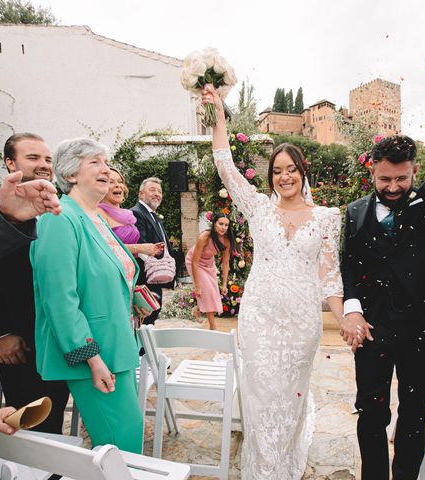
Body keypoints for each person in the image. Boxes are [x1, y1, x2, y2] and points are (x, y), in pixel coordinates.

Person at [340, 46, 425, 479]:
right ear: (373, 174)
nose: (394, 186)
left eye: (402, 178)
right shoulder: (355, 212)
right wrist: (351, 309)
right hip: (372, 331)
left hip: (420, 328)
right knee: (371, 416)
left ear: (414, 172)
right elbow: (349, 267)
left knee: (413, 419)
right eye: (386, 179)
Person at [201, 83, 344, 479]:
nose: (284, 177)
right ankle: (265, 469)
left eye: (291, 170)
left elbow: (330, 276)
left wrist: (344, 317)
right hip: (260, 315)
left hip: (301, 321)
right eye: (277, 171)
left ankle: (285, 456)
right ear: (271, 176)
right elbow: (225, 165)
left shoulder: (327, 217)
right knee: (262, 393)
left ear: (303, 172)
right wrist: (217, 115)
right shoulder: (258, 208)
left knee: (291, 395)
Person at [30, 137, 144, 453]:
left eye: (106, 163)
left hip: (116, 349)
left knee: (127, 441)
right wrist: (90, 358)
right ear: (69, 174)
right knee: (122, 449)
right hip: (94, 355)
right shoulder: (60, 218)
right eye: (95, 162)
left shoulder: (94, 216)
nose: (106, 170)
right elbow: (59, 300)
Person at [0, 133, 70, 435]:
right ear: (10, 163)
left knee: (55, 409)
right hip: (17, 340)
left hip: (54, 336)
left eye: (47, 159)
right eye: (33, 158)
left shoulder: (58, 211)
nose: (44, 165)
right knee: (33, 422)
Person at [131, 177, 174, 325]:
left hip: (155, 278)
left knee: (152, 317)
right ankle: (143, 349)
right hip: (145, 278)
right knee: (145, 320)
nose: (157, 194)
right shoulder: (137, 213)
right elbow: (140, 245)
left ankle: (147, 348)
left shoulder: (152, 215)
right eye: (152, 190)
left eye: (160, 191)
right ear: (141, 193)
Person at [97, 167, 164, 257]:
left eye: (120, 181)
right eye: (111, 182)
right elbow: (101, 248)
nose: (117, 185)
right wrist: (140, 248)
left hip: (131, 268)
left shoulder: (128, 215)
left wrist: (150, 250)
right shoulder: (98, 213)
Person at [185, 213, 234, 330]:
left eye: (226, 225)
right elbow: (194, 262)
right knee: (207, 291)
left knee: (212, 292)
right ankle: (213, 327)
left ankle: (198, 308)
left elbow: (225, 263)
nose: (223, 227)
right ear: (214, 224)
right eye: (221, 224)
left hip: (208, 263)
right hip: (194, 262)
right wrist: (197, 286)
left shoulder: (226, 241)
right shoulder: (205, 237)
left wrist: (224, 284)